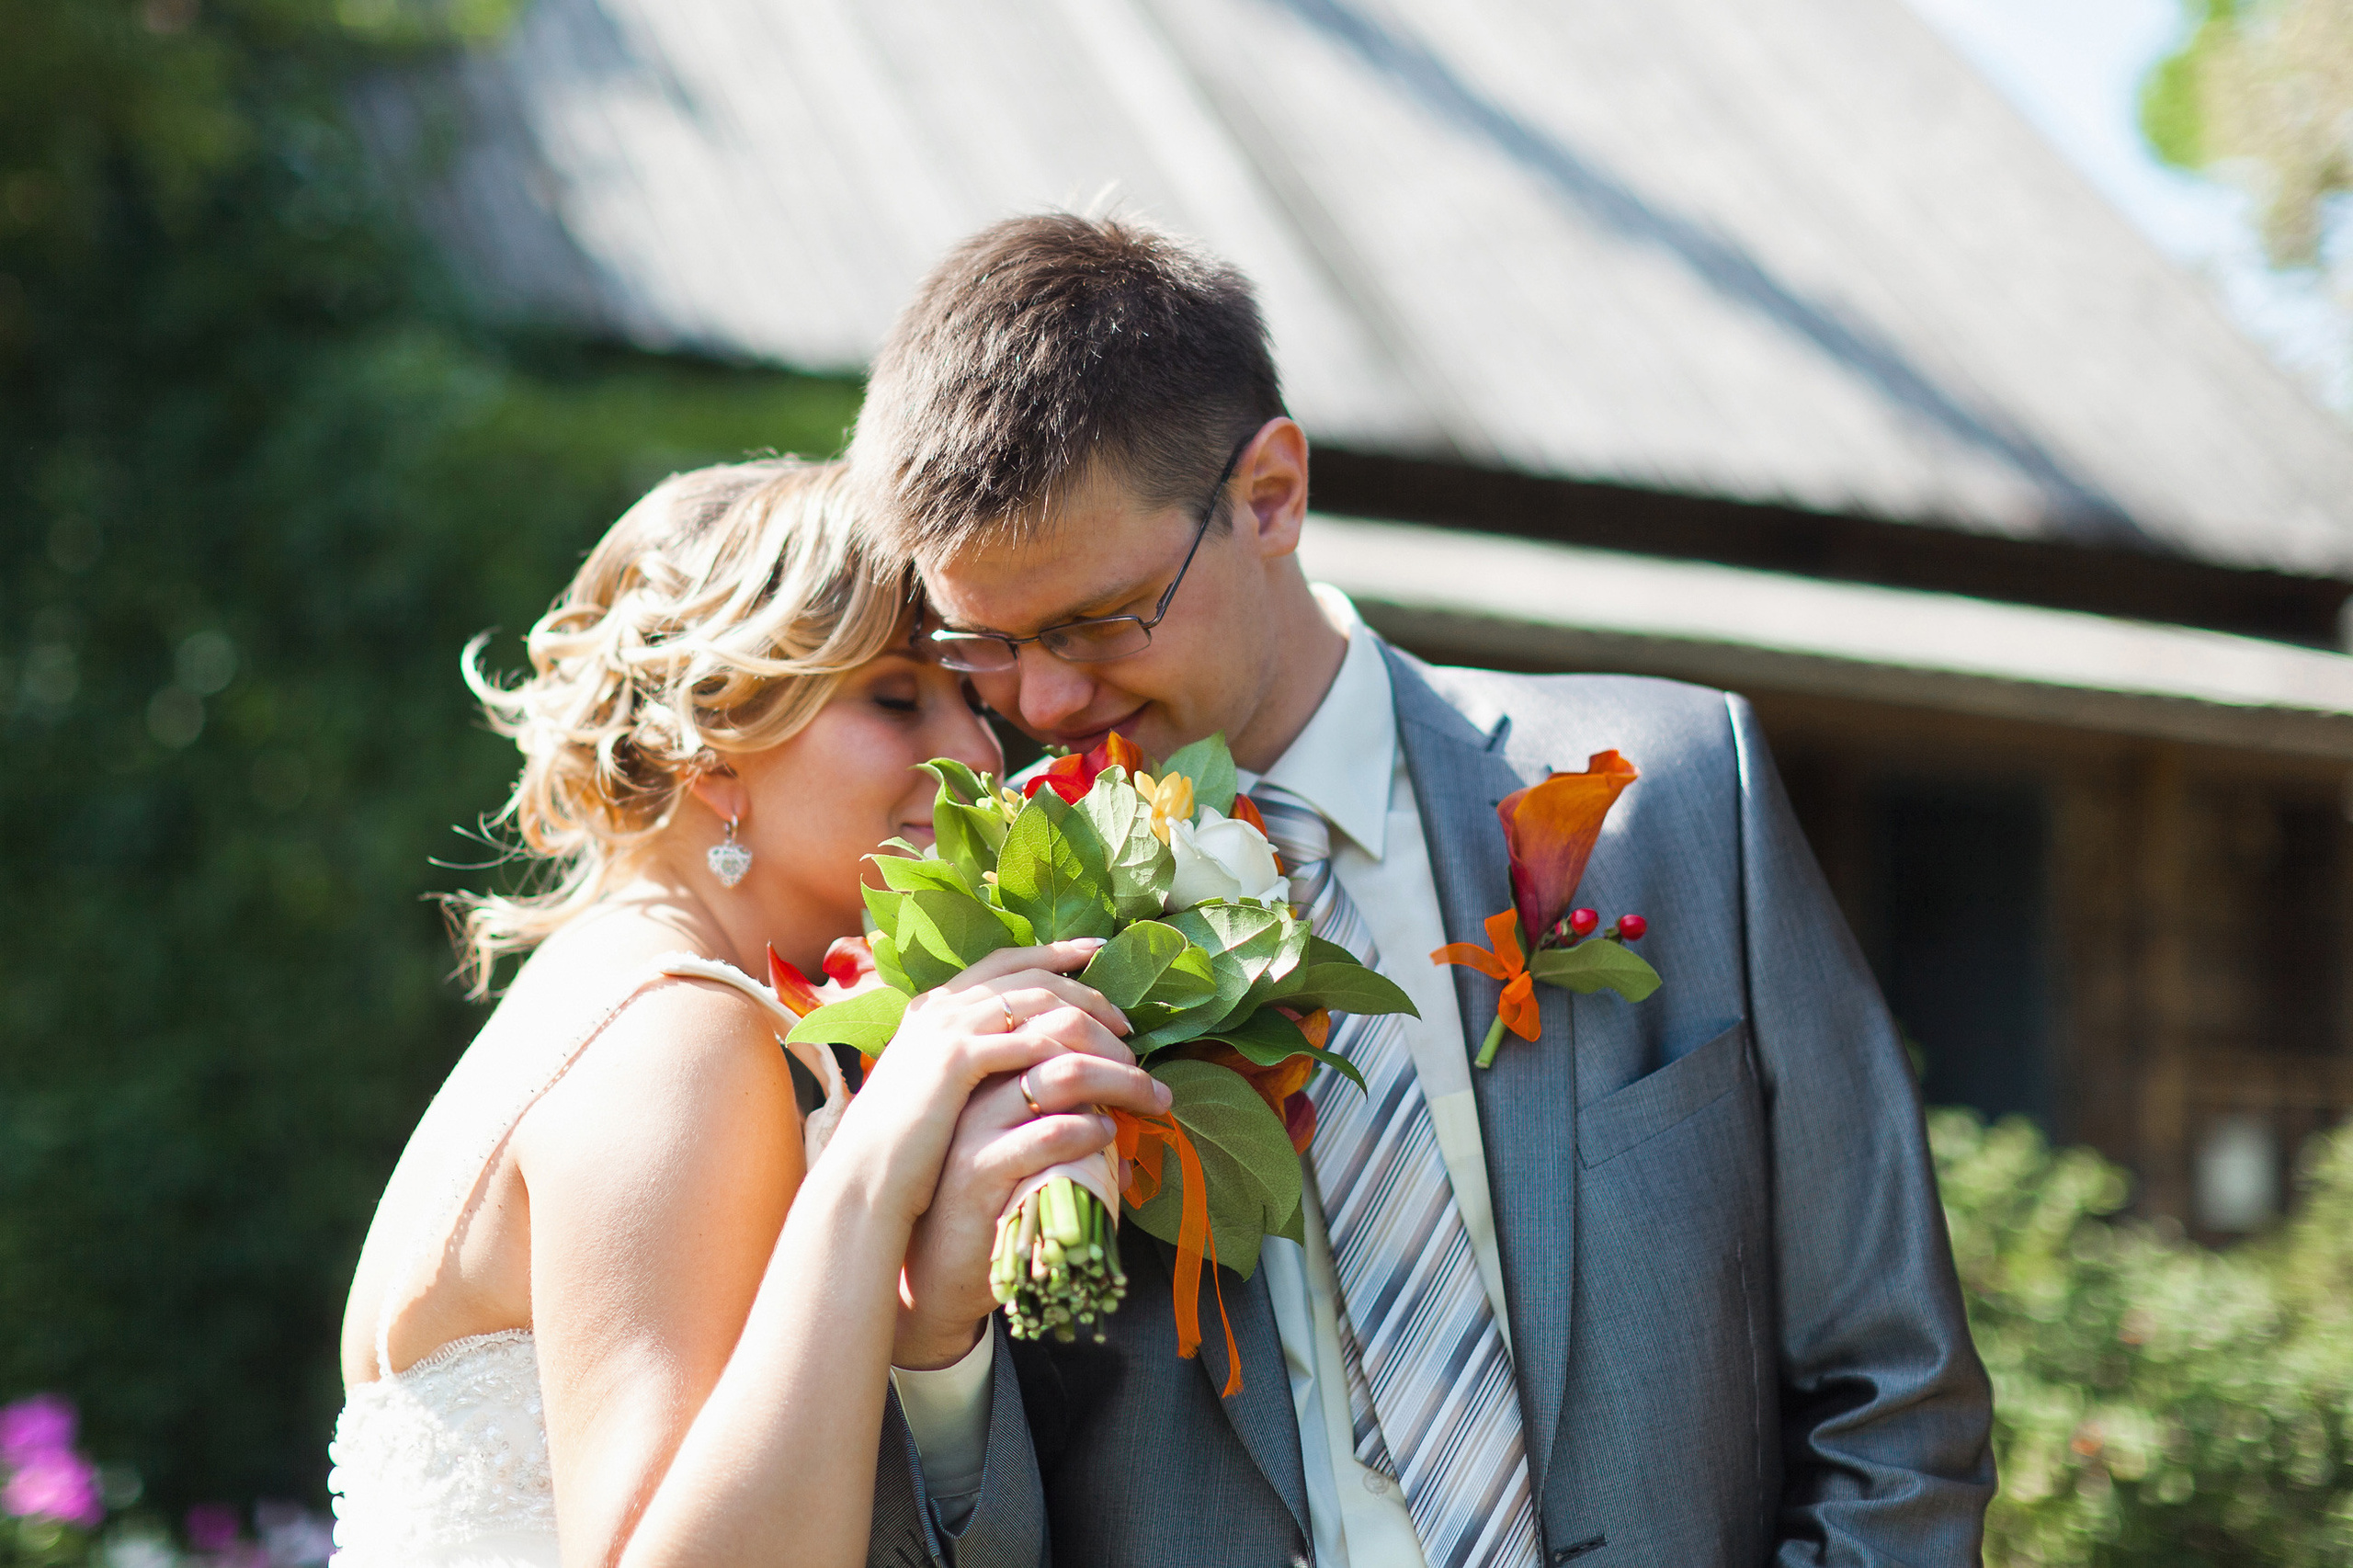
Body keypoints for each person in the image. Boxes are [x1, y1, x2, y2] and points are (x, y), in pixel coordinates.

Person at [845, 216, 1997, 1567]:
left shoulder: (1682, 797)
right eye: (988, 641)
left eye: (1100, 620)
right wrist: (941, 1346)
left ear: (1270, 493)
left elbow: (1894, 1404)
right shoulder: (983, 951)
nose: (1041, 702)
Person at [327, 458, 1166, 1568]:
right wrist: (871, 1172)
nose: (975, 754)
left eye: (969, 696)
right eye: (895, 695)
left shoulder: (603, 989)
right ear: (712, 742)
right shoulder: (679, 1035)